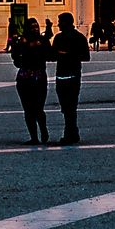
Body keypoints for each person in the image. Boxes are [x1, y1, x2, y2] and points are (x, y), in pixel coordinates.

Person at [50, 12, 91, 145]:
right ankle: (73, 132)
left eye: (60, 22)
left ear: (67, 22)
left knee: (70, 107)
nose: (58, 24)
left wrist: (67, 54)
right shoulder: (58, 37)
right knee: (66, 107)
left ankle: (69, 133)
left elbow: (86, 56)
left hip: (72, 76)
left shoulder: (78, 38)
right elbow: (52, 55)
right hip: (61, 76)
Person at [11, 17, 52, 144]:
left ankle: (43, 131)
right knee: (28, 109)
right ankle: (34, 136)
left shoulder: (41, 40)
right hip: (25, 77)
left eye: (36, 27)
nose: (35, 29)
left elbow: (49, 54)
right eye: (32, 27)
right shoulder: (22, 42)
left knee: (39, 107)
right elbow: (15, 58)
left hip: (38, 77)